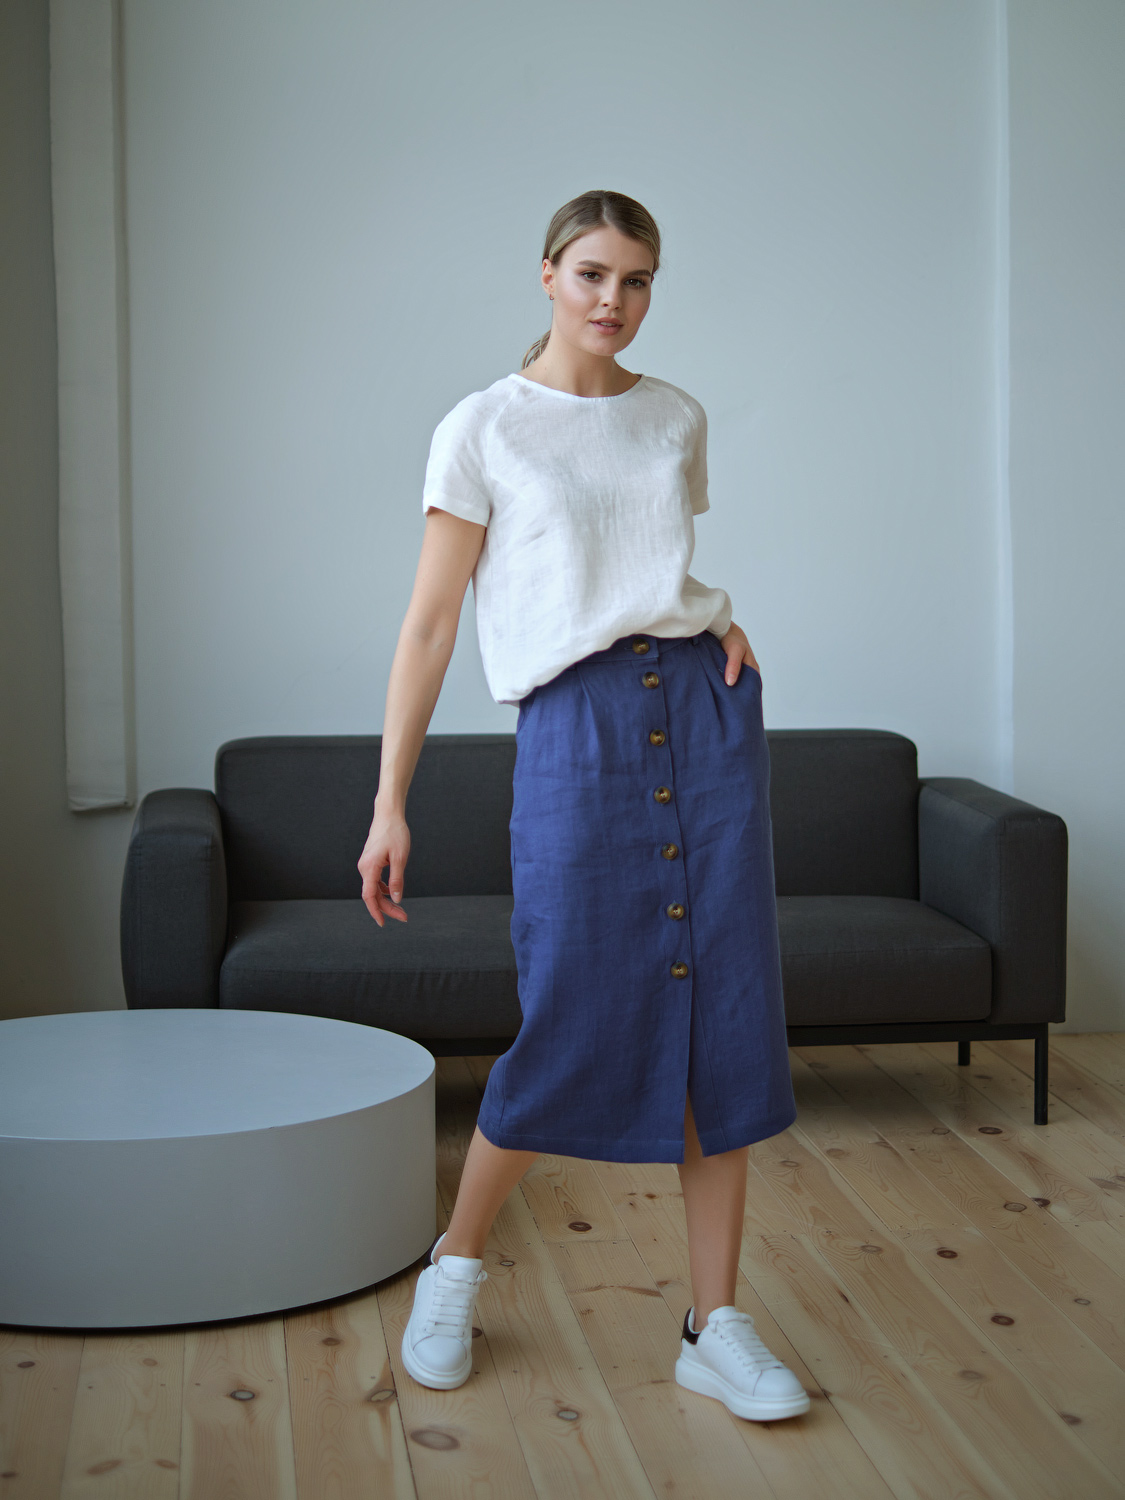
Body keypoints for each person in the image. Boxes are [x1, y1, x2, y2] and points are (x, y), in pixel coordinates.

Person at [357, 190, 809, 1423]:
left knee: (724, 1016)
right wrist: (389, 802)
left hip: (707, 717)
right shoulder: (484, 427)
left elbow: (651, 569)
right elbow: (431, 623)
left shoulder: (675, 417)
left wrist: (723, 622)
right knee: (568, 1007)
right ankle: (455, 1267)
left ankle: (714, 1325)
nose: (615, 299)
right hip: (576, 727)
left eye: (639, 279)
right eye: (594, 273)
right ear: (548, 274)